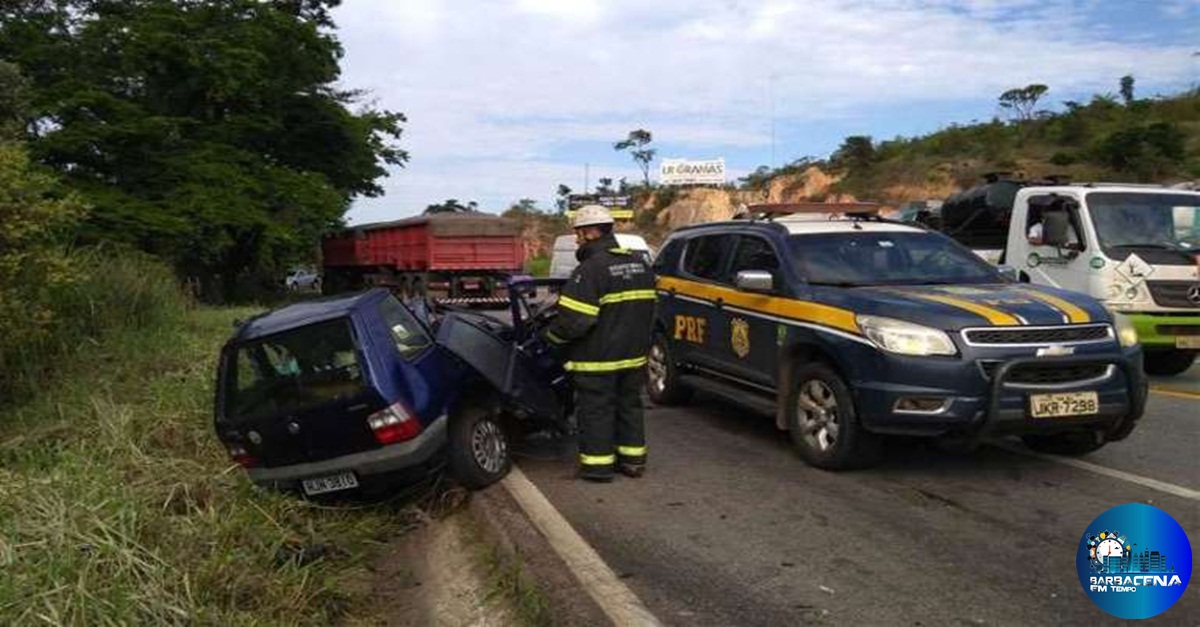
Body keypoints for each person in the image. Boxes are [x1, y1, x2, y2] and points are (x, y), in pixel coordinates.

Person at [544, 205, 656, 482]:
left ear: (590, 232)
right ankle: (632, 462)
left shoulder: (591, 270)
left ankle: (597, 467)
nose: (576, 239)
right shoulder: (640, 264)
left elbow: (575, 321)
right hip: (634, 356)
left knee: (596, 410)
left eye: (578, 233)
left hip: (598, 359)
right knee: (629, 406)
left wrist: (551, 339)